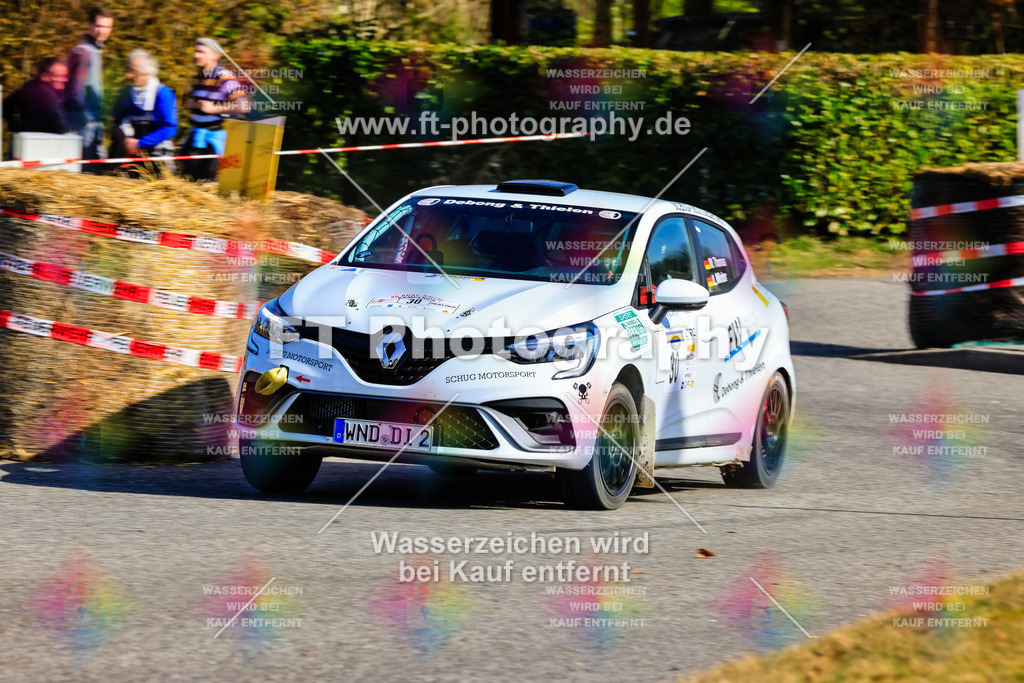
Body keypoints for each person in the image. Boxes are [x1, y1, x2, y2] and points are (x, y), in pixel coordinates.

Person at [179, 37, 246, 182]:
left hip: (213, 140)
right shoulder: (197, 78)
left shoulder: (226, 78)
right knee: (185, 180)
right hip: (194, 136)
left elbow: (244, 106)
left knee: (206, 183)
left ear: (216, 55)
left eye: (201, 52)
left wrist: (215, 109)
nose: (196, 55)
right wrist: (193, 104)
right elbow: (188, 103)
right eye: (196, 51)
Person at [110, 50, 177, 174]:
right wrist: (127, 141)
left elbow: (169, 128)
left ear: (147, 73)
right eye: (128, 70)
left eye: (134, 72)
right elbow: (118, 121)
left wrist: (140, 144)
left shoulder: (163, 94)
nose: (129, 75)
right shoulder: (125, 93)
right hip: (131, 154)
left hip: (158, 154)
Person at [65, 6, 113, 173]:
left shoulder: (94, 50)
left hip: (91, 124)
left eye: (107, 27)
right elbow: (73, 90)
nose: (103, 31)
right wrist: (86, 121)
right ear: (89, 25)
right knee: (86, 173)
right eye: (99, 26)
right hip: (83, 125)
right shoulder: (84, 52)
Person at [3, 57, 70, 138]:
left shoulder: (28, 86)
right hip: (41, 141)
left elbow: (7, 104)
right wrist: (69, 132)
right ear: (45, 76)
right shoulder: (45, 94)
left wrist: (15, 128)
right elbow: (59, 126)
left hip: (28, 139)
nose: (65, 80)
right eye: (60, 76)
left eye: (65, 76)